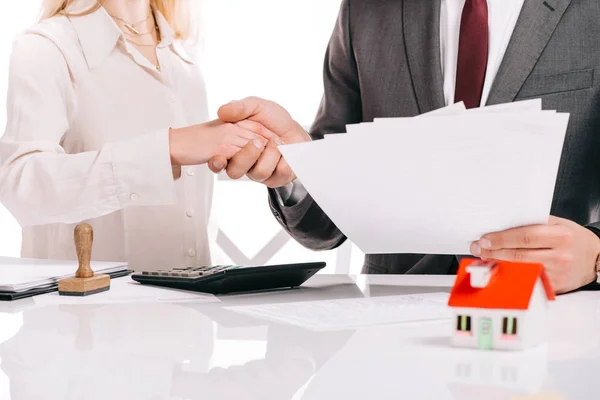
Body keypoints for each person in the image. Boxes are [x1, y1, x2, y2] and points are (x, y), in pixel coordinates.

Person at [208, 0, 600, 294]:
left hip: (552, 321)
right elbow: (323, 226)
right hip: (389, 329)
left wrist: (597, 259)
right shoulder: (366, 9)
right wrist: (298, 167)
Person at [0, 0, 272, 271]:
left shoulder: (184, 54)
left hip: (193, 307)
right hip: (86, 310)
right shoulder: (47, 47)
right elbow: (21, 184)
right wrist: (165, 149)